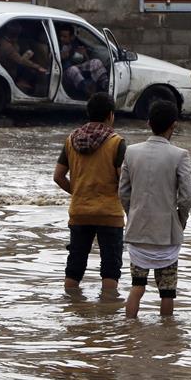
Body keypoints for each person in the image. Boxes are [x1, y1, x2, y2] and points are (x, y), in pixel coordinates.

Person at [119, 101, 191, 318]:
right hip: (167, 233)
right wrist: (180, 221)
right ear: (174, 125)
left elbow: (123, 192)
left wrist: (131, 214)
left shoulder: (131, 152)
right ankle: (167, 335)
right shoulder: (180, 154)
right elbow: (186, 197)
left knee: (137, 286)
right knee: (167, 292)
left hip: (138, 230)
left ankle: (129, 330)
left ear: (149, 123)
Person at [53, 92, 127, 297]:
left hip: (79, 212)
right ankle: (108, 313)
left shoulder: (71, 140)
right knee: (110, 268)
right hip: (109, 214)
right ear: (110, 115)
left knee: (75, 265)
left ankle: (71, 307)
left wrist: (77, 191)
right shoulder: (116, 142)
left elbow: (58, 176)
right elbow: (123, 181)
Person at [0, 23, 48, 93]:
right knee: (32, 71)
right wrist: (38, 67)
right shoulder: (8, 48)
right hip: (10, 70)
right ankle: (22, 85)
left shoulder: (1, 40)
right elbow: (21, 61)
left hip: (7, 65)